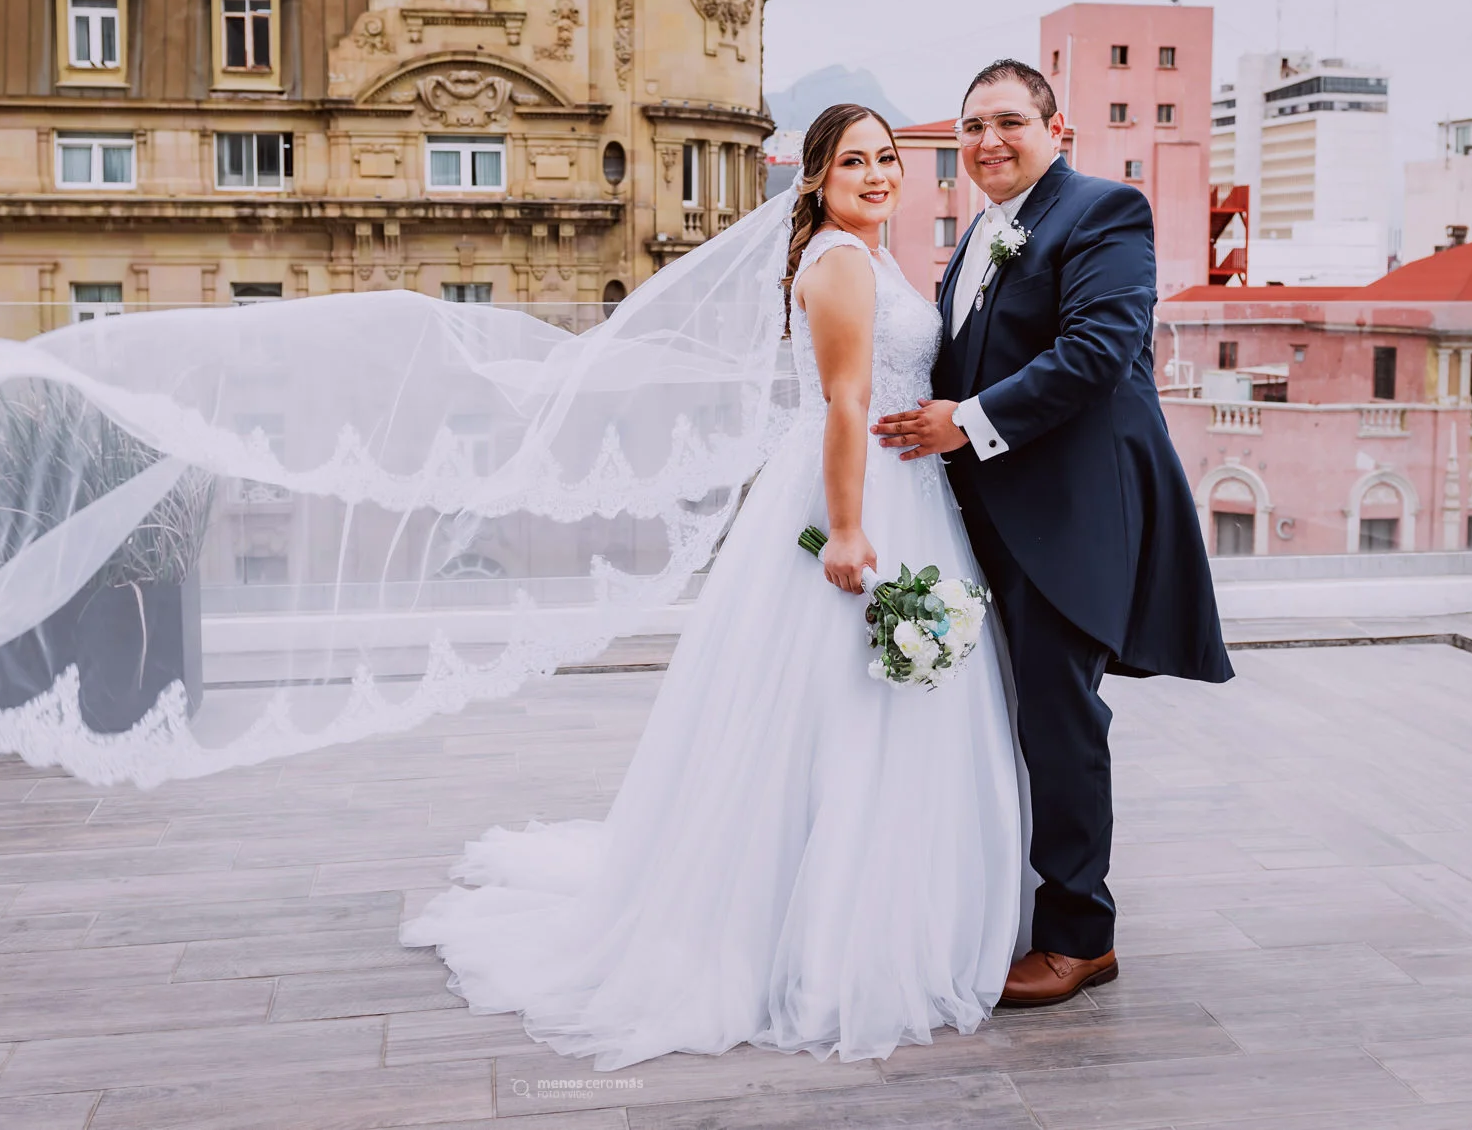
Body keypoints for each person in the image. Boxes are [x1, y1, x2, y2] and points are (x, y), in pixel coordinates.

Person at [399, 105, 1029, 1069]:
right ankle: (825, 936)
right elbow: (847, 402)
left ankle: (862, 912)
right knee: (847, 708)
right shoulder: (845, 262)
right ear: (815, 177)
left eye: (887, 159)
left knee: (858, 709)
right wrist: (852, 529)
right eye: (853, 160)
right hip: (860, 498)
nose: (876, 174)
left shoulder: (864, 254)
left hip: (904, 487)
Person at [874, 60, 1232, 1008]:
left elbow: (1098, 350)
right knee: (1006, 713)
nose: (987, 141)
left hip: (1070, 512)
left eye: (1007, 122)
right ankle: (1019, 899)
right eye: (971, 127)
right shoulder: (979, 235)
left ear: (1056, 126)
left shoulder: (1104, 211)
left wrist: (967, 423)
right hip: (986, 511)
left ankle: (1082, 936)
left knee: (1060, 716)